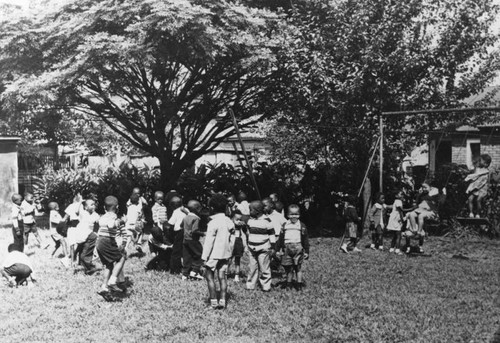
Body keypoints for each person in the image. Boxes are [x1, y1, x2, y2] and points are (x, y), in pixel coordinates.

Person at [201, 194, 235, 309]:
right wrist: (230, 253)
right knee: (222, 277)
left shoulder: (212, 223)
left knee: (209, 277)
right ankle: (223, 302)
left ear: (212, 208)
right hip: (225, 254)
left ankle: (213, 303)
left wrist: (204, 258)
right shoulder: (229, 221)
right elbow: (232, 239)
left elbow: (208, 242)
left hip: (213, 255)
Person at [96, 196, 127, 299]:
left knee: (108, 264)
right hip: (107, 240)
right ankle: (112, 281)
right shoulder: (112, 216)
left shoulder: (102, 216)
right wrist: (122, 221)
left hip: (99, 241)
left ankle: (104, 287)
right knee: (122, 257)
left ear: (104, 208)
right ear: (117, 207)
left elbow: (100, 224)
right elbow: (111, 225)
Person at [405, 181, 445, 253]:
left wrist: (444, 194)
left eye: (425, 187)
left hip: (430, 211)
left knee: (421, 215)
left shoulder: (434, 194)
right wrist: (419, 194)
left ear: (431, 188)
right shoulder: (422, 195)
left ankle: (419, 232)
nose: (424, 189)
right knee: (411, 214)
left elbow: (441, 202)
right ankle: (414, 230)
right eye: (422, 187)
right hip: (420, 209)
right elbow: (417, 202)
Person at [276, 204, 309, 291]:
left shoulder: (302, 226)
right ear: (287, 215)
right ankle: (289, 284)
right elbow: (280, 238)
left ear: (299, 215)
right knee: (289, 268)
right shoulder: (285, 225)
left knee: (298, 267)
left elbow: (305, 240)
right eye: (291, 214)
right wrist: (277, 249)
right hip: (287, 248)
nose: (294, 216)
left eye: (296, 214)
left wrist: (307, 252)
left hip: (298, 248)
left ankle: (299, 284)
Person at [245, 200, 275, 292]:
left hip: (263, 247)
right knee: (252, 267)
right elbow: (248, 233)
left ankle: (266, 286)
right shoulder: (250, 220)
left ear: (257, 211)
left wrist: (273, 247)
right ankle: (250, 285)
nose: (249, 212)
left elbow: (272, 234)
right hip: (251, 247)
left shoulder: (267, 221)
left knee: (264, 267)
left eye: (251, 210)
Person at [73, 199, 100, 275]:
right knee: (80, 252)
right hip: (81, 236)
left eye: (94, 204)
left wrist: (95, 233)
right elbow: (76, 211)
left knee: (85, 254)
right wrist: (80, 202)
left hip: (89, 236)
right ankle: (85, 267)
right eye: (91, 204)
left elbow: (98, 224)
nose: (94, 206)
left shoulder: (95, 215)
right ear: (85, 207)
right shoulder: (83, 213)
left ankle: (90, 268)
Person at [181, 200, 204, 281]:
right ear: (197, 209)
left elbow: (181, 225)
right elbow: (195, 231)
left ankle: (185, 274)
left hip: (185, 240)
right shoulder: (196, 218)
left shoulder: (185, 217)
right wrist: (202, 233)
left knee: (187, 256)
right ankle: (194, 271)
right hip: (193, 240)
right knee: (200, 253)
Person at [466, 154, 492, 218]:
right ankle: (471, 213)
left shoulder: (487, 171)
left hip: (482, 188)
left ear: (486, 164)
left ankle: (478, 213)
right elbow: (474, 176)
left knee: (478, 199)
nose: (480, 162)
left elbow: (487, 181)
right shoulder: (477, 169)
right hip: (475, 187)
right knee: (470, 199)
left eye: (481, 161)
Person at [166, 196, 187, 275]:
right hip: (187, 232)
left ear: (173, 206)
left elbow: (170, 224)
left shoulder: (175, 212)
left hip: (179, 232)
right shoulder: (186, 210)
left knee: (176, 251)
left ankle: (175, 269)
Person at [48, 202, 70, 267]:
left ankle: (50, 255)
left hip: (55, 231)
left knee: (57, 245)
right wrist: (61, 222)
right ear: (55, 207)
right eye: (57, 205)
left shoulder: (54, 212)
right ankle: (66, 257)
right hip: (55, 231)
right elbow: (53, 220)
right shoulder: (53, 212)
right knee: (63, 242)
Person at [230, 209, 247, 282]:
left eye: (240, 219)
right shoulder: (230, 224)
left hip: (238, 241)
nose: (239, 221)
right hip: (231, 242)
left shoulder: (241, 226)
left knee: (237, 259)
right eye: (237, 219)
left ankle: (237, 275)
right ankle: (226, 272)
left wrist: (243, 226)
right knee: (229, 259)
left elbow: (245, 233)